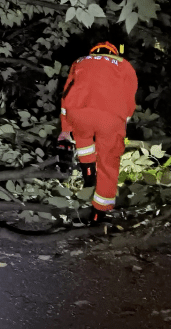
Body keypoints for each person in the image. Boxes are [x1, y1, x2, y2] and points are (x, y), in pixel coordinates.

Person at [58, 41, 138, 224]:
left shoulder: (80, 61)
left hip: (79, 113)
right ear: (114, 53)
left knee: (83, 136)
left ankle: (88, 174)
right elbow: (130, 96)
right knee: (108, 161)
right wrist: (124, 121)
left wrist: (65, 129)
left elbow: (66, 94)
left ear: (92, 52)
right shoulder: (124, 65)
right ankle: (98, 212)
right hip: (110, 117)